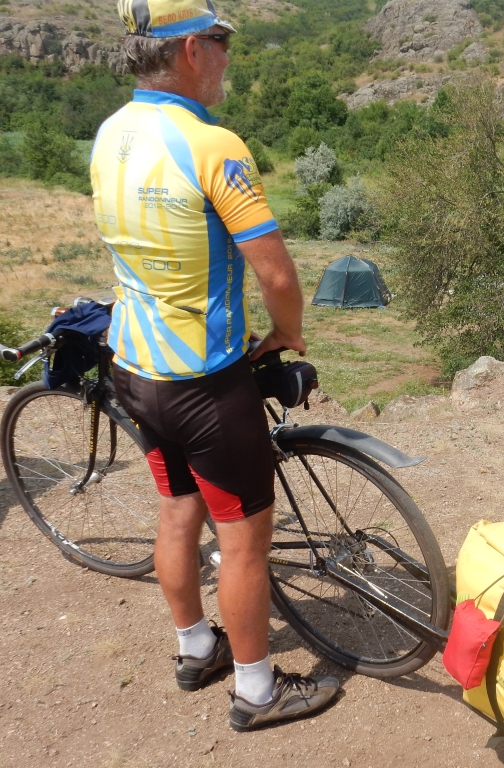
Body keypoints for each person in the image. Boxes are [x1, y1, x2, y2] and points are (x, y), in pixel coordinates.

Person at [91, 0, 338, 731]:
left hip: (135, 367)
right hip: (203, 381)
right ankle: (258, 693)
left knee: (177, 511)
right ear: (191, 49)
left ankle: (197, 649)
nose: (229, 57)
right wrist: (287, 333)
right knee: (244, 543)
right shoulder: (213, 145)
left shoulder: (109, 133)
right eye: (222, 42)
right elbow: (277, 275)